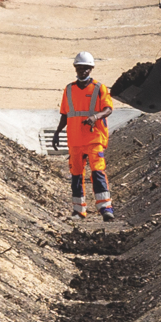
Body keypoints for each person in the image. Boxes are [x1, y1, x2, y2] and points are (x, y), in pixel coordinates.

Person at [60, 51, 116, 221]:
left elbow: (108, 109)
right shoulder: (69, 89)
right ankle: (78, 211)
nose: (83, 71)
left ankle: (105, 208)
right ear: (75, 68)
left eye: (86, 68)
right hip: (75, 139)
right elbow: (65, 114)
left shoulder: (99, 88)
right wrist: (57, 132)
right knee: (76, 175)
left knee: (98, 171)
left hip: (94, 138)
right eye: (80, 67)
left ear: (91, 69)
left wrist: (95, 117)